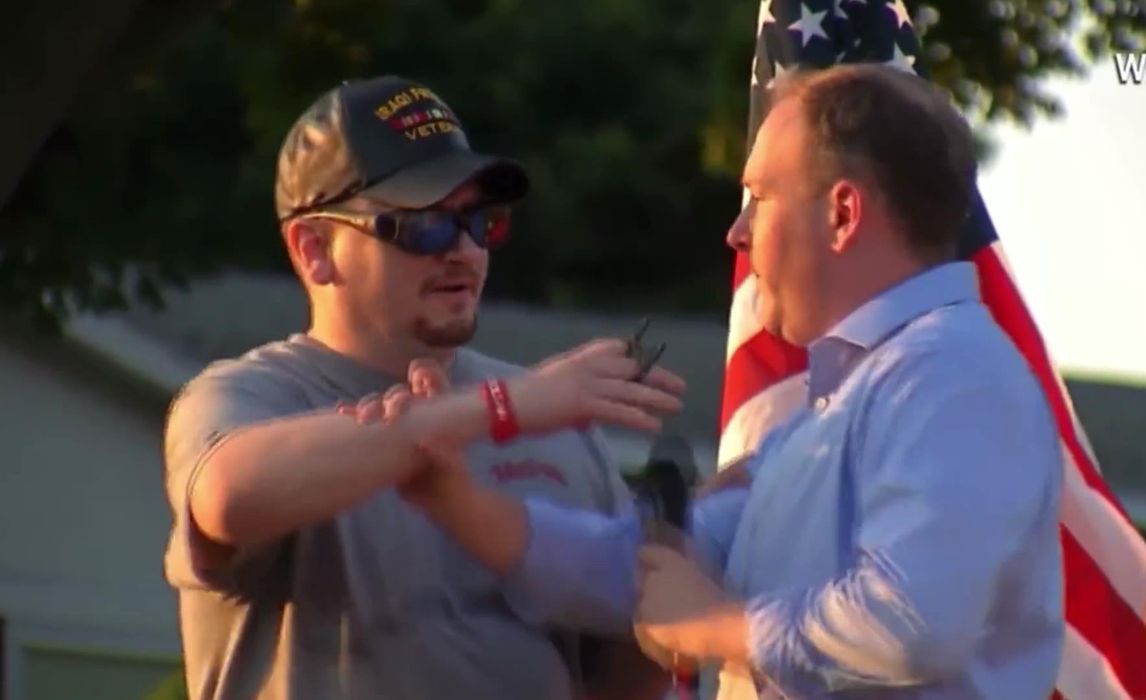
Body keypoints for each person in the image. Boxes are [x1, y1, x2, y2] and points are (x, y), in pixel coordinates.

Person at [350, 63, 1067, 699]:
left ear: (842, 214)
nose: (736, 231)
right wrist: (452, 497)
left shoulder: (952, 373)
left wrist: (719, 624)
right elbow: (632, 567)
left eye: (758, 195)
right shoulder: (830, 409)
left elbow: (913, 623)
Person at [160, 74, 685, 700]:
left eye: (479, 222)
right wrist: (496, 411)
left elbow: (616, 682)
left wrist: (676, 574)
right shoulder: (249, 396)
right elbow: (226, 499)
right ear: (314, 250)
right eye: (425, 225)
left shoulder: (559, 421)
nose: (463, 251)